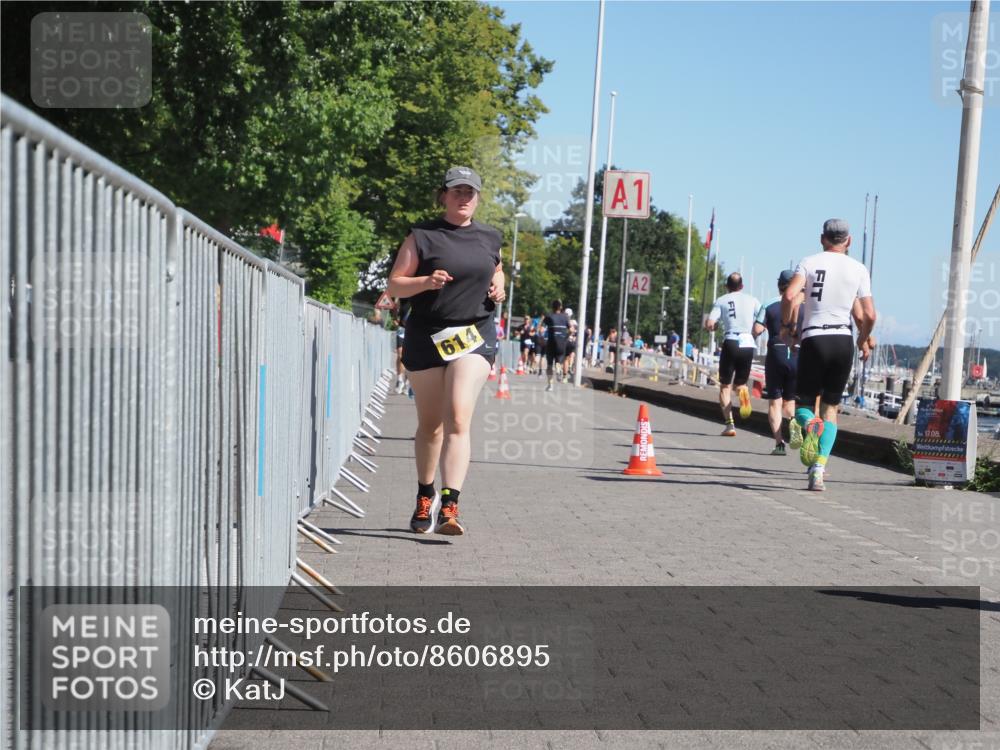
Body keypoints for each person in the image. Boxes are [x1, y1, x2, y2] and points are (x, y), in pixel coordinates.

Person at [387, 166, 505, 534]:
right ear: (444, 195)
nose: (464, 197)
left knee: (458, 415)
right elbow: (395, 284)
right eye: (457, 191)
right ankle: (426, 495)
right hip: (427, 336)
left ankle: (450, 506)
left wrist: (499, 287)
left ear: (478, 198)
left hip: (474, 334)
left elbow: (496, 269)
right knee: (431, 425)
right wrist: (425, 281)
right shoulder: (422, 236)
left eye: (471, 191)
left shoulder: (490, 236)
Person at [782, 219, 876, 491]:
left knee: (803, 406)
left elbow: (789, 296)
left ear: (822, 238)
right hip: (842, 340)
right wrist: (863, 339)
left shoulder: (809, 262)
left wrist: (788, 329)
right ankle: (818, 470)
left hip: (814, 338)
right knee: (831, 409)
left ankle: (810, 424)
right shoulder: (858, 268)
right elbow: (867, 314)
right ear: (849, 241)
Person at [704, 272, 762, 436]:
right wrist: (757, 330)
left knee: (725, 386)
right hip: (748, 342)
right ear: (742, 286)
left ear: (727, 286)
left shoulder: (721, 300)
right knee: (741, 384)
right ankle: (743, 392)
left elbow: (710, 323)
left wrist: (712, 327)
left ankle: (730, 425)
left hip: (731, 342)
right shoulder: (752, 300)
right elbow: (762, 317)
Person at [753, 270, 803, 454]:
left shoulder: (769, 304)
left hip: (776, 352)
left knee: (775, 401)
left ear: (778, 285)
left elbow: (757, 329)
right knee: (790, 401)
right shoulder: (805, 306)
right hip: (798, 354)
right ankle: (793, 423)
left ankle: (779, 443)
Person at [543, 299, 570, 391]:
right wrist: (566, 337)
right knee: (559, 359)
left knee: (549, 365)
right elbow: (572, 330)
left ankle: (550, 385)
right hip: (561, 342)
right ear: (561, 307)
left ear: (552, 307)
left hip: (551, 342)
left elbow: (541, 327)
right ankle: (558, 367)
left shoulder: (549, 316)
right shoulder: (565, 317)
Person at [393, 308, 409, 394]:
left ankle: (407, 383)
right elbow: (396, 306)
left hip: (413, 330)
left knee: (410, 357)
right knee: (400, 355)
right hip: (401, 331)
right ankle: (399, 380)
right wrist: (395, 318)